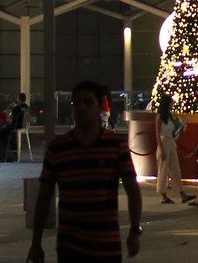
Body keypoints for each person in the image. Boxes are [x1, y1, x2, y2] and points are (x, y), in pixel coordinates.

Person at [28, 79, 142, 262]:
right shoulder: (58, 149)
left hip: (106, 246)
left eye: (88, 102)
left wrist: (135, 230)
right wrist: (36, 243)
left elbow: (133, 191)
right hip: (70, 247)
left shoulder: (115, 146)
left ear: (99, 107)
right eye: (77, 102)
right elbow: (44, 196)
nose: (81, 107)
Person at [155, 95, 192, 204]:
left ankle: (182, 194)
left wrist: (180, 129)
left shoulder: (170, 116)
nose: (172, 104)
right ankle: (164, 195)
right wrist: (161, 149)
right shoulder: (159, 117)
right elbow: (157, 134)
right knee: (163, 170)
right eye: (170, 103)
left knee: (175, 169)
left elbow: (174, 132)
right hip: (164, 142)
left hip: (171, 142)